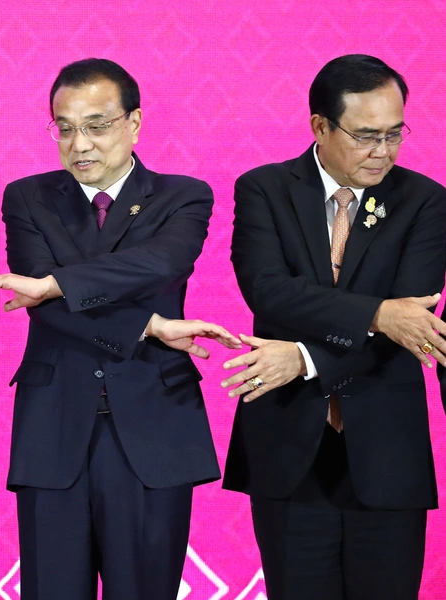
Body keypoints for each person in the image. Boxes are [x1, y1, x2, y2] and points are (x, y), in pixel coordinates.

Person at [0, 58, 240, 600]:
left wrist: (54, 284)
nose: (79, 144)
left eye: (96, 126)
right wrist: (150, 324)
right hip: (55, 424)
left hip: (153, 425)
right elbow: (41, 306)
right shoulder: (27, 196)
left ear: (134, 123)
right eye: (65, 127)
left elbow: (159, 264)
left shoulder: (183, 196)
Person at [221, 54, 446, 600]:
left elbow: (412, 326)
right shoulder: (264, 190)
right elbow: (270, 292)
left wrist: (303, 358)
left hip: (387, 449)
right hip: (288, 446)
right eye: (367, 136)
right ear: (320, 126)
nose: (383, 151)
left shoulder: (424, 201)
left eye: (395, 134)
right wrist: (377, 313)